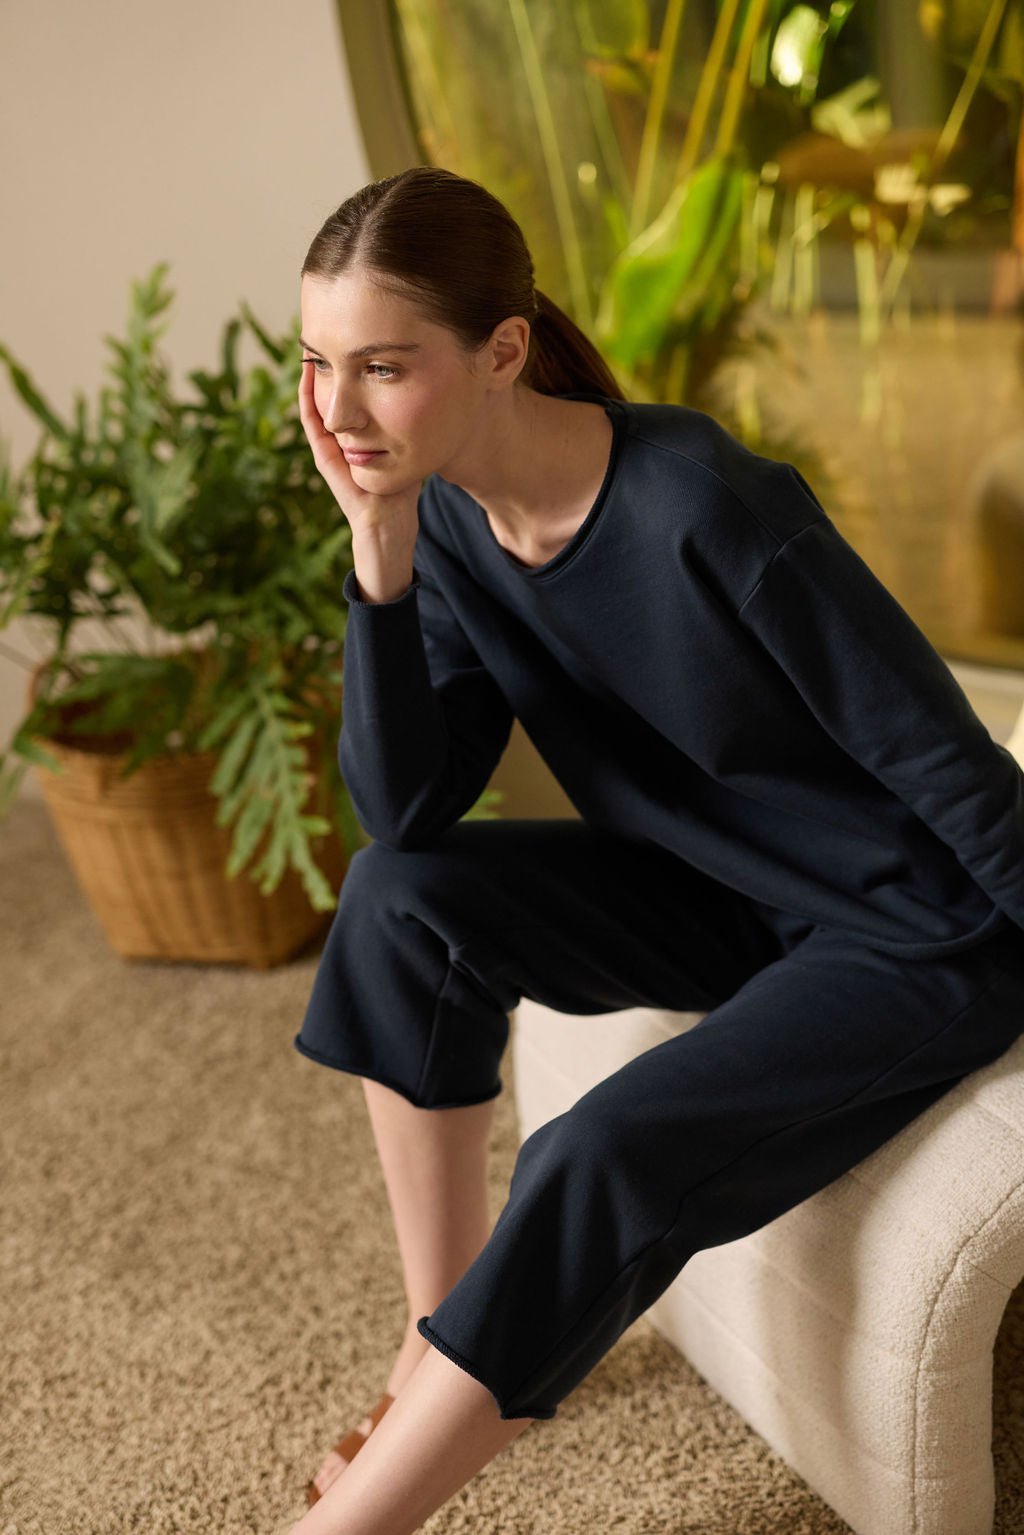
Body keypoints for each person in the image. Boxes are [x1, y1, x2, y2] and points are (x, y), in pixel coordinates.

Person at [285, 165, 1024, 1535]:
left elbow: (944, 758)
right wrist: (377, 558)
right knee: (395, 901)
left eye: (382, 367)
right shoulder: (439, 517)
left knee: (600, 1148)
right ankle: (433, 1338)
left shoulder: (704, 503)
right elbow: (405, 816)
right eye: (319, 364)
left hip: (911, 926)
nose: (336, 410)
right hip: (728, 897)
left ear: (501, 352)